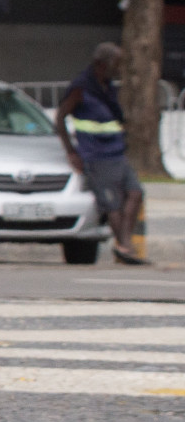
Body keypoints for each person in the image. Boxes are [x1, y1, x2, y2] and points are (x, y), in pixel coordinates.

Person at [54, 41, 147, 265]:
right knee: (112, 204)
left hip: (116, 152)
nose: (118, 68)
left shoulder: (107, 87)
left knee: (135, 193)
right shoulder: (82, 87)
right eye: (116, 62)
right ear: (101, 63)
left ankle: (125, 246)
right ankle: (125, 247)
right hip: (96, 155)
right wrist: (72, 152)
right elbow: (60, 118)